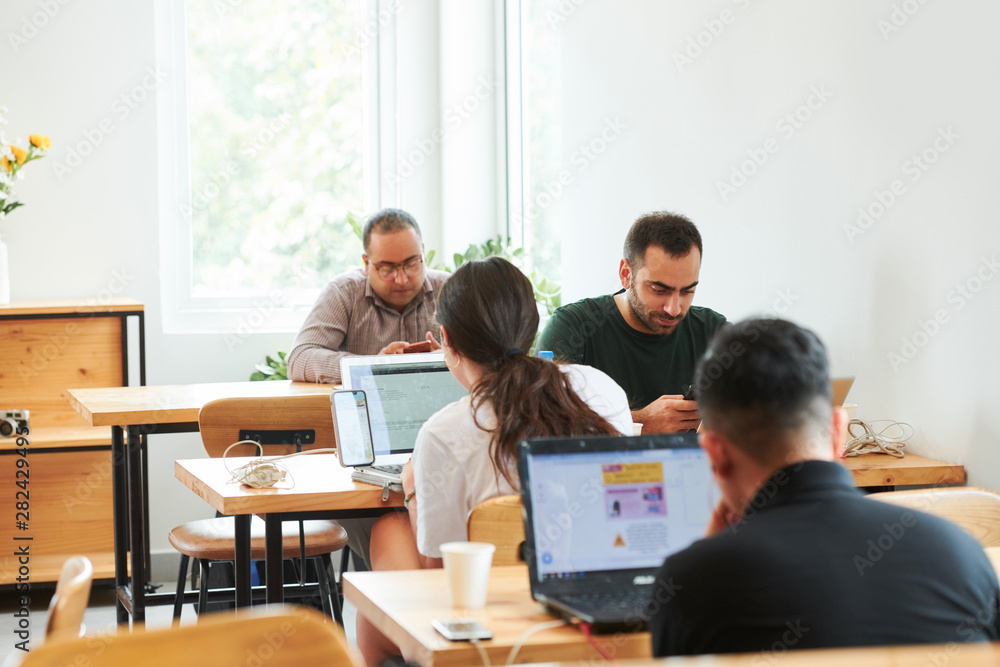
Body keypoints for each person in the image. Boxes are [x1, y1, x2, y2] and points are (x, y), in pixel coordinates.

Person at [650, 318, 1000, 656]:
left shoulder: (693, 584)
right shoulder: (962, 555)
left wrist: (707, 559)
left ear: (714, 453)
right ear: (837, 431)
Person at [357, 257, 632, 666]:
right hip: (598, 610)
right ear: (532, 326)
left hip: (490, 630)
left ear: (445, 339)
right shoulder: (603, 389)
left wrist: (414, 487)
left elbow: (441, 572)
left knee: (387, 536)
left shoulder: (444, 431)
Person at [537, 211, 725, 434]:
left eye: (687, 291)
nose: (673, 309)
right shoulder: (573, 327)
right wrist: (638, 423)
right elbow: (539, 422)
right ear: (626, 274)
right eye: (659, 290)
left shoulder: (714, 331)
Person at [288, 208, 450, 384]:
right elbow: (300, 358)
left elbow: (483, 355)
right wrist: (371, 367)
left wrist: (451, 360)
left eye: (412, 263)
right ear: (367, 263)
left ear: (423, 254)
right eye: (387, 268)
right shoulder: (343, 291)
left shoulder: (448, 288)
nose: (402, 280)